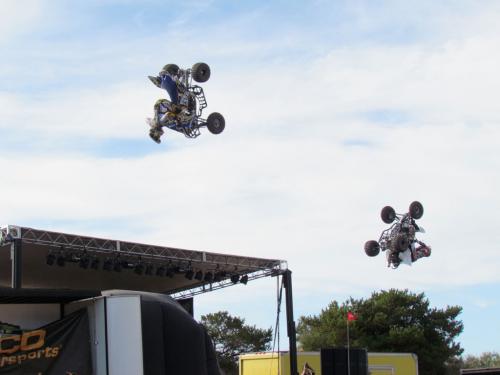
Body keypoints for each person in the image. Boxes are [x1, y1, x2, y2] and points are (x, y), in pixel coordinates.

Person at [147, 67, 188, 143]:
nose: (160, 135)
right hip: (160, 104)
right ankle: (171, 79)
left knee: (182, 107)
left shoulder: (160, 123)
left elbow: (168, 114)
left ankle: (182, 76)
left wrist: (176, 118)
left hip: (163, 105)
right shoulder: (154, 123)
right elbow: (147, 119)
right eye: (159, 136)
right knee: (176, 103)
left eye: (158, 135)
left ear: (155, 132)